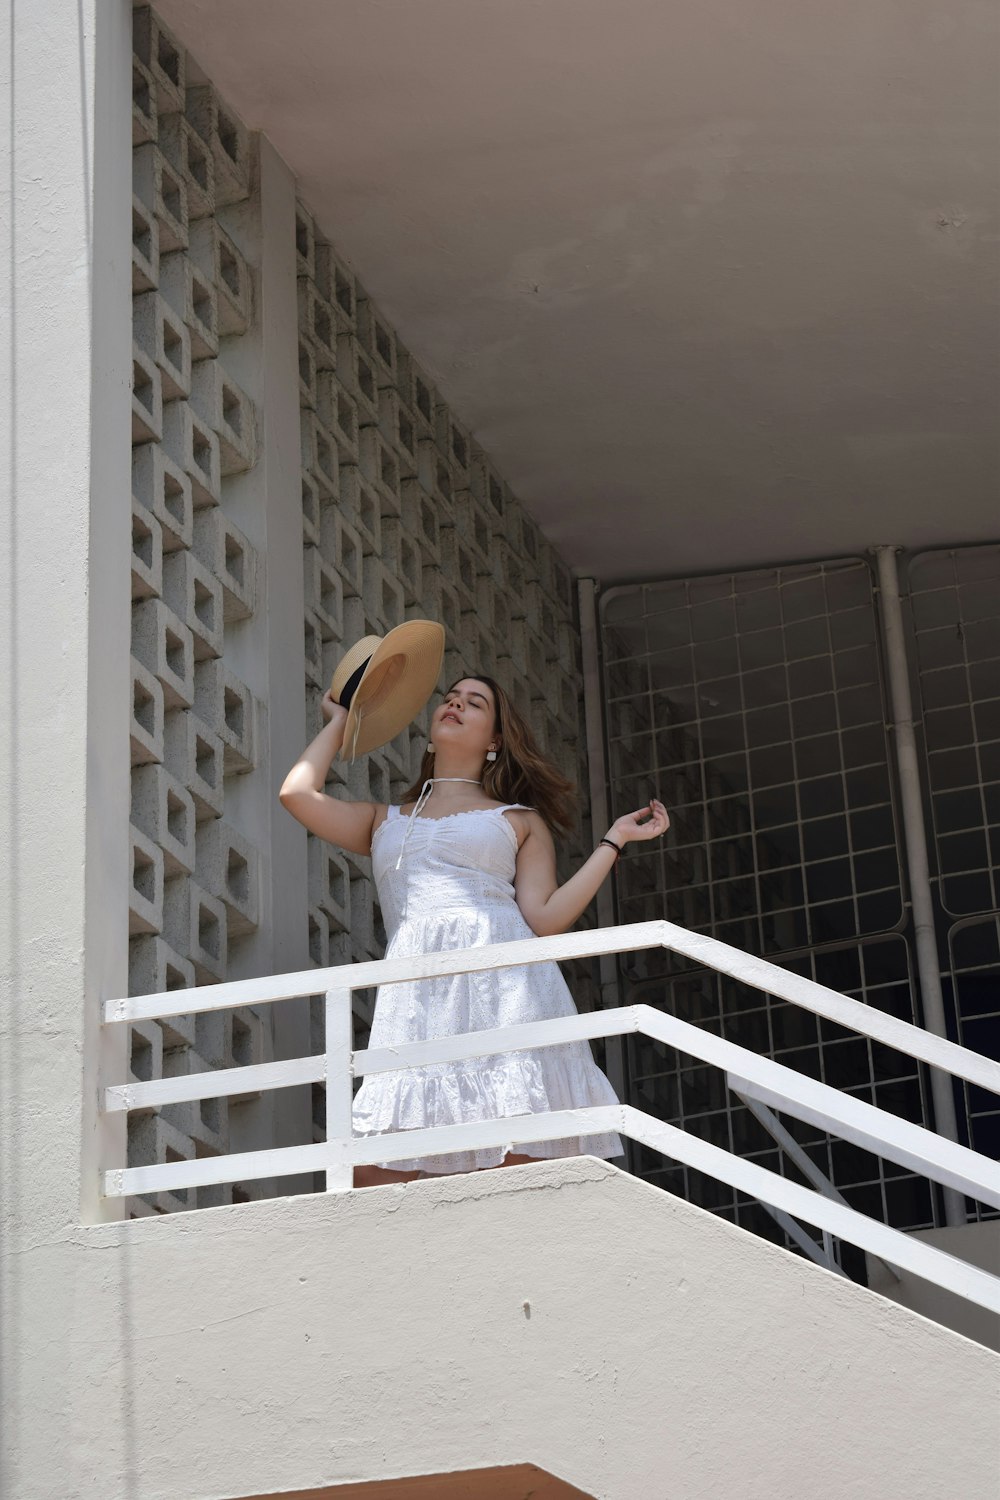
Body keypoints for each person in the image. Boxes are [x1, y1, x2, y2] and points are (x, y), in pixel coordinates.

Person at [279, 673, 669, 1187]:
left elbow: (546, 918)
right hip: (417, 995)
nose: (456, 705)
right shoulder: (385, 819)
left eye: (474, 703)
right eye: (450, 698)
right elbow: (296, 793)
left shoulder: (519, 819)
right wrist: (341, 722)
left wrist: (613, 841)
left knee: (514, 1164)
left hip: (506, 988)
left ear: (495, 742)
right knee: (376, 1174)